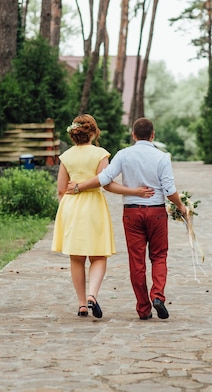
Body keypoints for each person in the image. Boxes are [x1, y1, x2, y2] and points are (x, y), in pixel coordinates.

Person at [67, 118, 188, 320]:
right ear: (153, 135)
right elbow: (169, 190)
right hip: (156, 213)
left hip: (132, 213)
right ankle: (157, 295)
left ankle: (143, 308)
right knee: (159, 256)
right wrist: (181, 206)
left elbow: (104, 180)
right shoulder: (162, 157)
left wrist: (79, 187)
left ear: (133, 135)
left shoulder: (123, 155)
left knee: (136, 260)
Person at [51, 114, 153, 319]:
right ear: (94, 132)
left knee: (77, 257)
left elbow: (61, 190)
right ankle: (92, 296)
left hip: (71, 207)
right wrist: (133, 191)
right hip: (93, 206)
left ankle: (81, 304)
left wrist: (66, 209)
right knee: (98, 255)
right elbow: (106, 183)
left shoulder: (66, 156)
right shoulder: (100, 154)